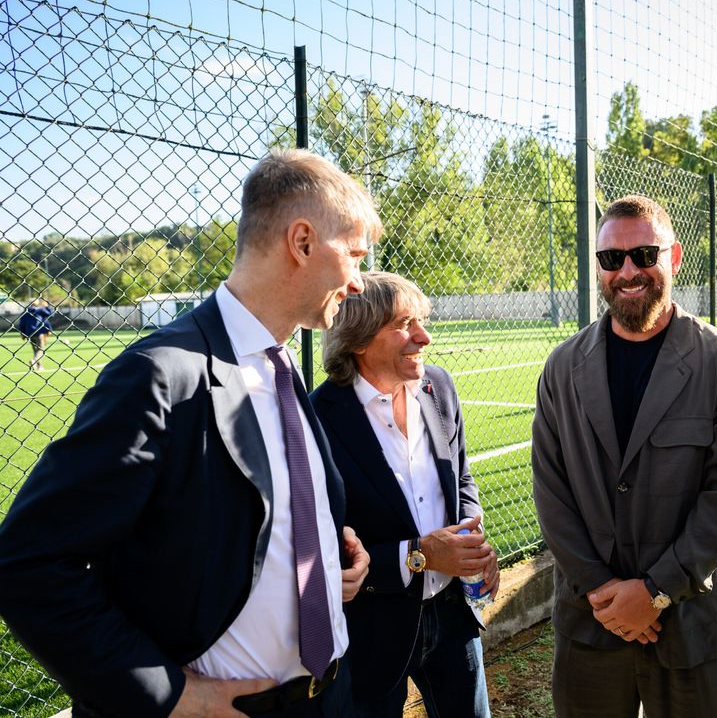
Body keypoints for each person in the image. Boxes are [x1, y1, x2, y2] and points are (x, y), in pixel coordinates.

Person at [0, 148, 381, 718]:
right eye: (354, 255)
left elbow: (241, 514)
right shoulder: (158, 375)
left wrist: (327, 558)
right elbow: (27, 564)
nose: (358, 281)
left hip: (330, 693)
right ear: (302, 243)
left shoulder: (281, 363)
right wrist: (169, 694)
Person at [531, 195, 717, 717]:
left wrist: (655, 591)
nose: (628, 272)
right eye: (613, 259)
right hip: (593, 622)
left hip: (692, 624)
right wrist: (605, 591)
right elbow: (552, 491)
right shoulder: (563, 369)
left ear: (674, 258)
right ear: (599, 267)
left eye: (644, 254)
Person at [311, 272, 498, 718]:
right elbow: (326, 544)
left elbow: (462, 480)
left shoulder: (439, 387)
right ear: (357, 339)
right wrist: (420, 555)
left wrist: (472, 540)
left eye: (422, 321)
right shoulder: (318, 418)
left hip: (453, 614)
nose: (424, 336)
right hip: (374, 628)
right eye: (404, 324)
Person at [18, 298, 55, 371]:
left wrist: (22, 334)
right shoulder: (40, 310)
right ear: (37, 303)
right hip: (39, 332)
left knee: (35, 350)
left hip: (29, 333)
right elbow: (51, 313)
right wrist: (46, 306)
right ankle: (34, 360)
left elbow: (21, 324)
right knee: (40, 349)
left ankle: (39, 366)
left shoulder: (25, 312)